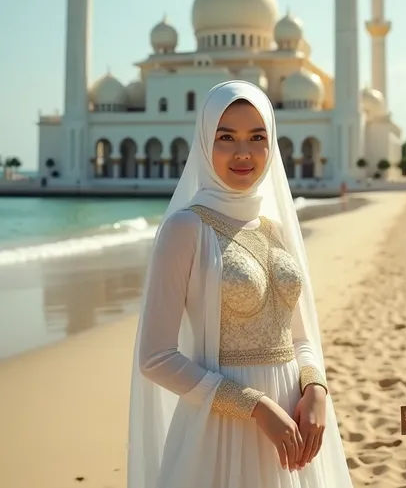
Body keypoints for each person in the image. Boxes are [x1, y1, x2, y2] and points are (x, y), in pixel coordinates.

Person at [128, 80, 353, 488]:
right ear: (203, 141)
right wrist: (256, 407)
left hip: (294, 422)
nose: (243, 152)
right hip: (223, 427)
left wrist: (316, 387)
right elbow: (156, 357)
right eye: (226, 137)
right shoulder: (186, 228)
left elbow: (298, 335)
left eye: (257, 137)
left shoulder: (276, 228)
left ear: (272, 143)